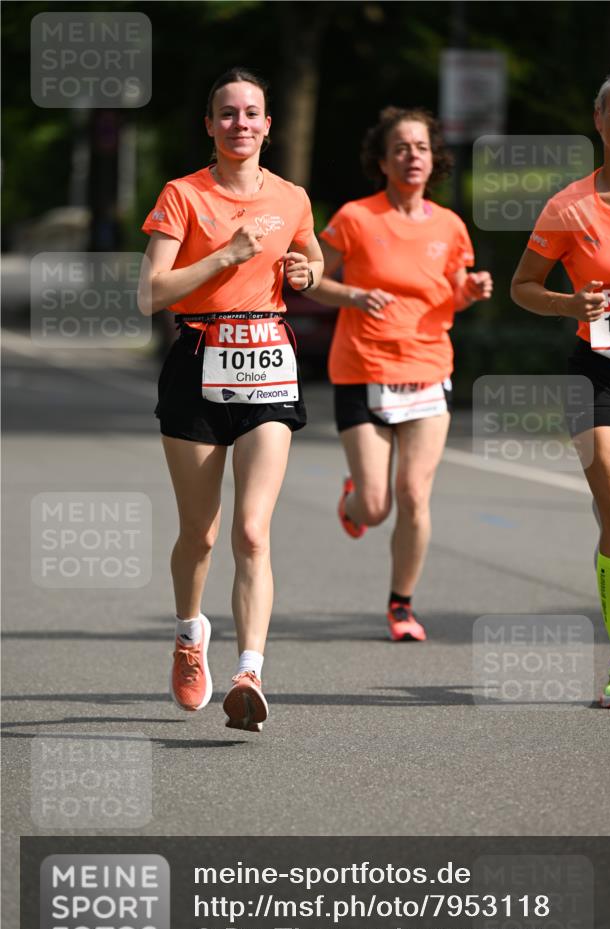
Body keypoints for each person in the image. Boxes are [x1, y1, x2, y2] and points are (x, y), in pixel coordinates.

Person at [138, 67, 323, 730]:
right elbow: (150, 293)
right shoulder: (183, 195)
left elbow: (313, 260)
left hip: (268, 365)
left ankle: (249, 671)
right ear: (210, 125)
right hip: (197, 362)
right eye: (227, 113)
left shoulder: (291, 197)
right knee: (201, 533)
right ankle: (190, 636)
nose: (239, 123)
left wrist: (307, 272)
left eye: (250, 113)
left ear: (268, 125)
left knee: (251, 530)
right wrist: (222, 257)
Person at [511, 69, 610, 708]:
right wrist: (568, 304)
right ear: (599, 119)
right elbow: (523, 286)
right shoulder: (568, 206)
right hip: (596, 375)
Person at [306, 107, 492, 640]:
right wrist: (354, 295)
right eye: (402, 148)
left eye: (422, 148)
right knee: (375, 507)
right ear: (383, 161)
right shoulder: (355, 218)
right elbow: (312, 279)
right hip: (362, 368)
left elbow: (453, 291)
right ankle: (354, 499)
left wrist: (470, 290)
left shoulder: (449, 225)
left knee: (413, 495)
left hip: (428, 368)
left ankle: (402, 605)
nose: (413, 157)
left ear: (434, 160)